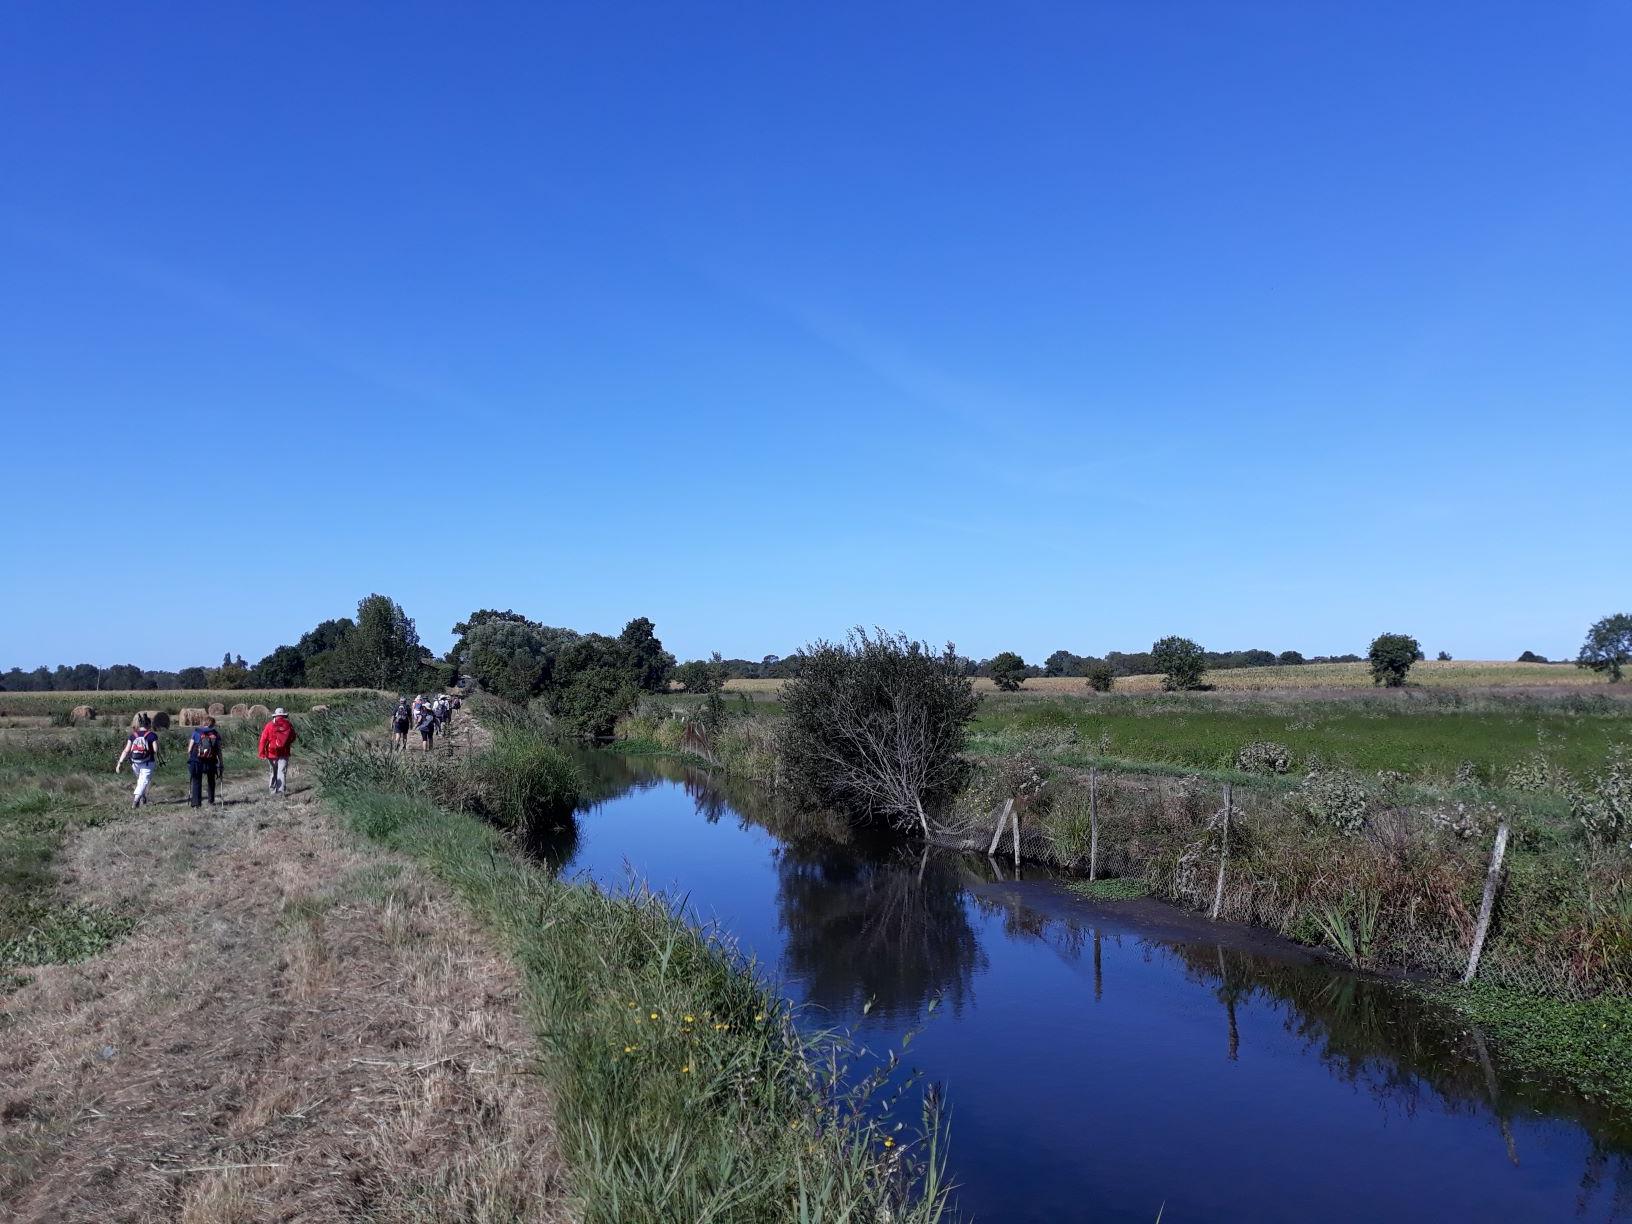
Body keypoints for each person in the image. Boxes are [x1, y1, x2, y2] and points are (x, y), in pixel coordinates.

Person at [115, 715, 161, 808]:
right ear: (148, 724)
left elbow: (126, 750)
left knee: (140, 780)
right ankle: (135, 801)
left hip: (134, 762)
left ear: (140, 725)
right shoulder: (152, 735)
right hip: (148, 762)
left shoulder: (133, 735)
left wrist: (119, 763)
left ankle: (143, 797)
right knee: (143, 781)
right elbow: (155, 750)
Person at [258, 707, 298, 795]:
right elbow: (293, 737)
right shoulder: (288, 725)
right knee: (281, 772)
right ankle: (280, 791)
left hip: (271, 753)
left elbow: (263, 740)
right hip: (284, 752)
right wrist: (286, 743)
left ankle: (272, 790)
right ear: (284, 715)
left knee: (273, 772)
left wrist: (261, 753)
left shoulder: (269, 725)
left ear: (275, 716)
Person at [187, 715, 225, 807]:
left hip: (197, 760)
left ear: (204, 723)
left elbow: (189, 749)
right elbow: (219, 750)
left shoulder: (196, 732)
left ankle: (196, 803)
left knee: (196, 781)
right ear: (213, 724)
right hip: (211, 761)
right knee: (211, 780)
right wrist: (221, 763)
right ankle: (211, 801)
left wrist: (191, 758)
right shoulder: (216, 734)